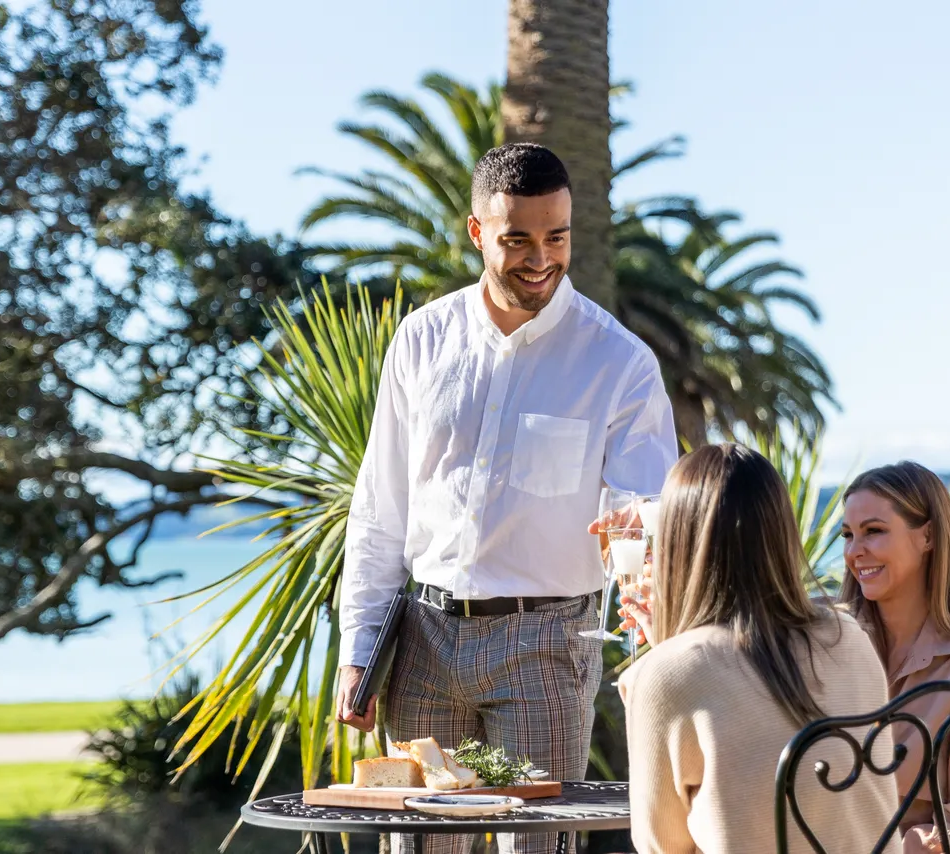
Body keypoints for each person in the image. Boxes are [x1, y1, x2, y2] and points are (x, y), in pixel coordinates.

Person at [336, 142, 678, 854]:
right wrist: (359, 648)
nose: (540, 258)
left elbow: (645, 515)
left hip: (546, 645)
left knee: (539, 848)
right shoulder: (422, 340)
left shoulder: (619, 365)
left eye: (557, 237)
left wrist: (637, 557)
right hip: (422, 643)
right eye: (516, 239)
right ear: (476, 233)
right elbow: (381, 507)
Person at [618, 444, 901, 854]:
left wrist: (663, 662)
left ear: (677, 542)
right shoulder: (849, 634)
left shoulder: (668, 674)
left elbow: (660, 846)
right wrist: (673, 650)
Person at [840, 462, 950, 854]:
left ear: (928, 536)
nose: (855, 552)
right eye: (848, 535)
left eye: (873, 531)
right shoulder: (829, 653)